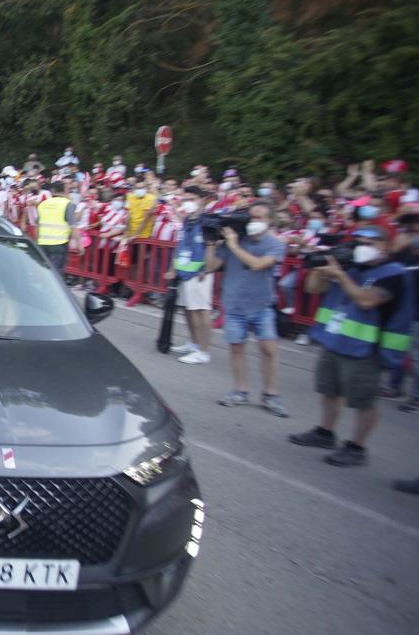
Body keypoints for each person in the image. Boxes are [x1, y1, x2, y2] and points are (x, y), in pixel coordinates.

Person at [289, 226, 413, 466]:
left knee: (362, 401)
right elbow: (313, 288)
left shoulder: (392, 274)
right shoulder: (350, 267)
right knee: (329, 390)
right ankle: (325, 432)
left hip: (366, 348)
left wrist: (340, 274)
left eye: (369, 242)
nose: (362, 247)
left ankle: (357, 446)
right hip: (336, 340)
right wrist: (319, 266)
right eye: (358, 242)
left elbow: (367, 301)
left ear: (385, 246)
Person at [205, 202, 288, 416]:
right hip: (234, 304)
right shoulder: (235, 239)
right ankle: (240, 391)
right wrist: (211, 242)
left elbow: (258, 264)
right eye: (252, 217)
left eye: (260, 218)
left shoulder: (275, 244)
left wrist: (233, 245)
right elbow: (211, 266)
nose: (254, 222)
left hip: (262, 305)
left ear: (269, 221)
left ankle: (271, 395)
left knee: (269, 350)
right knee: (236, 349)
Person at [166, 186, 214, 364]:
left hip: (200, 271)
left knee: (200, 311)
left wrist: (206, 269)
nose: (188, 202)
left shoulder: (208, 221)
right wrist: (172, 267)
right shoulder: (188, 220)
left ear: (202, 200)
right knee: (188, 309)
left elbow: (212, 246)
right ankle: (194, 343)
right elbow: (181, 244)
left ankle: (204, 350)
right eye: (185, 199)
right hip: (185, 269)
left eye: (192, 198)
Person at [35, 179, 78, 276]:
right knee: (56, 273)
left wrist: (36, 241)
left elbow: (37, 225)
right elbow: (73, 226)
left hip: (43, 243)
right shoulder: (67, 204)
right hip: (59, 243)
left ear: (52, 191)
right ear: (64, 190)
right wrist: (79, 243)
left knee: (44, 270)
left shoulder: (43, 204)